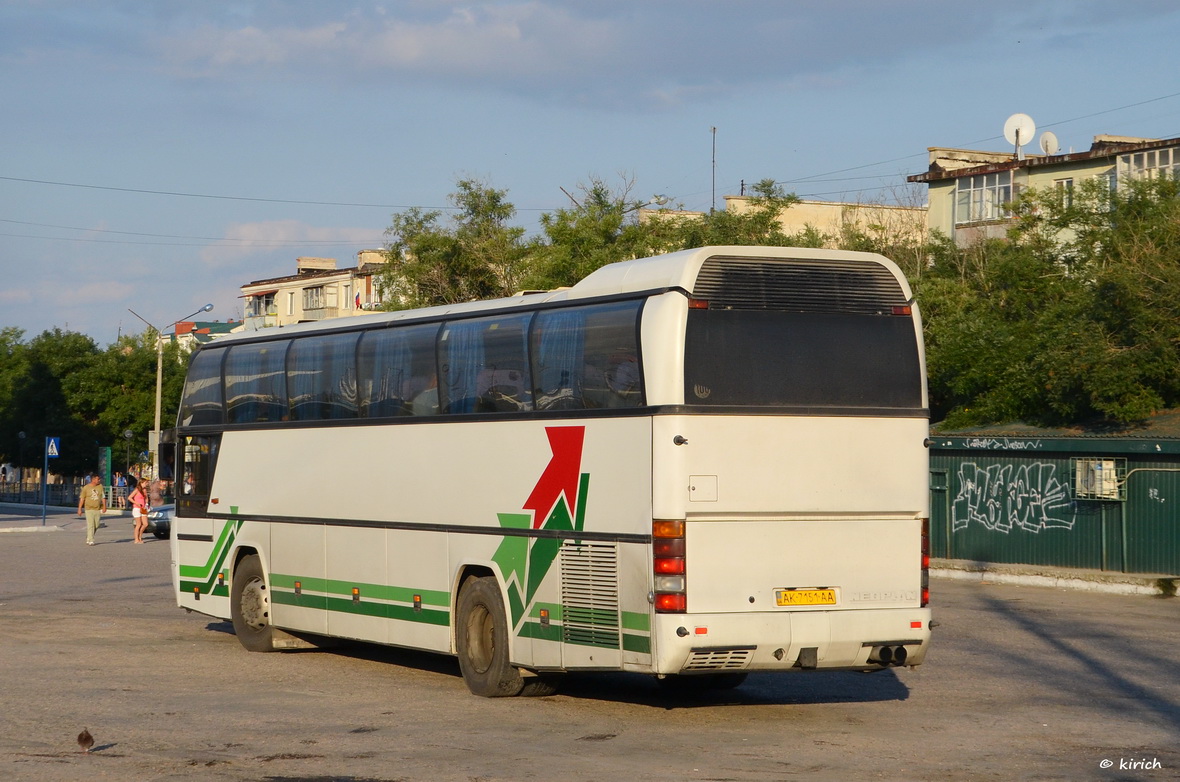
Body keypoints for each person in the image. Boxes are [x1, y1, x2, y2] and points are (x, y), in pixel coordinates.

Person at [76, 474, 107, 546]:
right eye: (97, 479)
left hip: (97, 509)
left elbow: (103, 497)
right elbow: (82, 499)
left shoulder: (100, 487)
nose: (99, 480)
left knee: (96, 525)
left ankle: (89, 536)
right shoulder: (86, 488)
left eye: (99, 479)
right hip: (89, 509)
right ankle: (91, 540)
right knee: (91, 525)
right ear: (93, 480)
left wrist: (104, 506)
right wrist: (79, 509)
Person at [129, 479, 150, 544]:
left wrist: (146, 504)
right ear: (141, 483)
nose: (146, 484)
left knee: (145, 524)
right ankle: (136, 539)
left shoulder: (144, 490)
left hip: (143, 508)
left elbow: (146, 498)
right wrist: (136, 503)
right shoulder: (137, 490)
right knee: (138, 524)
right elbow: (129, 497)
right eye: (145, 483)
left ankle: (140, 536)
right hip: (137, 508)